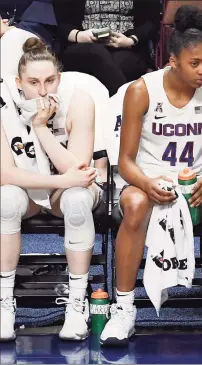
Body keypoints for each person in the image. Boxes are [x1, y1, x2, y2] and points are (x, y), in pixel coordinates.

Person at [99, 6, 202, 346]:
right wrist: (148, 183)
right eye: (195, 63)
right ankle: (124, 311)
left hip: (195, 181)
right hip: (147, 179)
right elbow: (126, 161)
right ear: (173, 61)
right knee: (134, 205)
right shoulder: (142, 90)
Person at [0, 38, 101, 341]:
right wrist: (61, 180)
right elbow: (5, 173)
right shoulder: (3, 103)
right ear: (19, 82)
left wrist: (41, 128)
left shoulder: (79, 99)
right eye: (33, 82)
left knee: (78, 199)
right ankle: (5, 303)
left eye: (50, 80)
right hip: (28, 190)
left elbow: (80, 169)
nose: (43, 91)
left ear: (60, 76)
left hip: (68, 192)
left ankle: (76, 303)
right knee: (5, 198)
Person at [53, 0, 161, 96]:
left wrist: (130, 40)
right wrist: (79, 36)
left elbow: (152, 22)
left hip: (127, 46)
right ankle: (125, 107)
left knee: (119, 66)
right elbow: (59, 22)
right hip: (81, 45)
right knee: (97, 54)